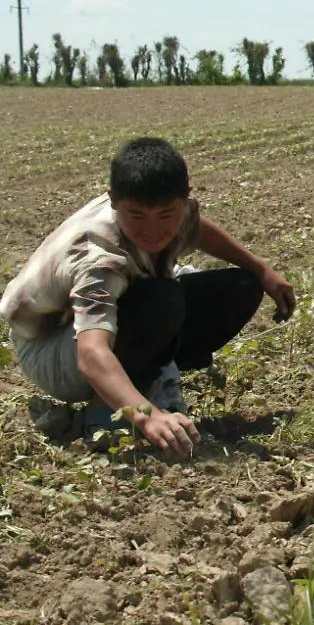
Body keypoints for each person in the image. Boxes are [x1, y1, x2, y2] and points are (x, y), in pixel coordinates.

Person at [1, 137, 296, 457]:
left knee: (240, 287)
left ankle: (146, 374)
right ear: (113, 200)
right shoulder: (98, 258)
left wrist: (261, 269)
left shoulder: (170, 209)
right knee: (161, 300)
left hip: (94, 325)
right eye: (137, 217)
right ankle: (104, 413)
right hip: (51, 348)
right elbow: (90, 353)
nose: (153, 230)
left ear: (185, 197)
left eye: (166, 215)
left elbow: (197, 227)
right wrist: (148, 416)